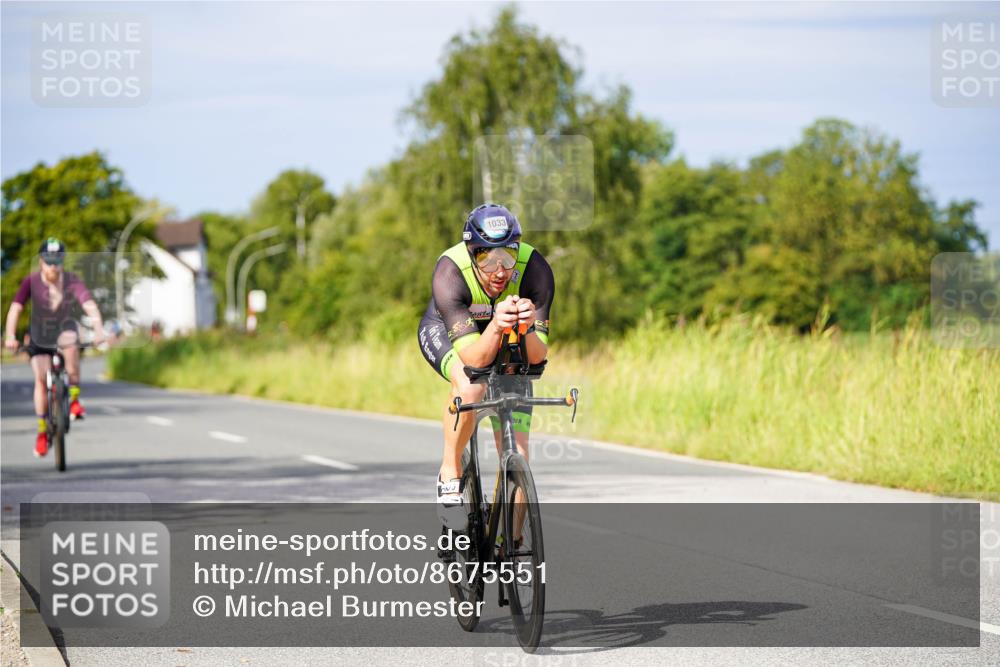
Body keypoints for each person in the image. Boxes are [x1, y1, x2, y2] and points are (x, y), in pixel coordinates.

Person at [418, 204, 554, 529]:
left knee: (518, 449)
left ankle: (515, 545)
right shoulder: (451, 271)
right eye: (486, 259)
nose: (499, 271)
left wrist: (527, 328)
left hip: (508, 333)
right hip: (448, 335)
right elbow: (475, 360)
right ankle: (450, 472)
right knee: (471, 385)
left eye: (507, 256)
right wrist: (495, 324)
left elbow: (536, 358)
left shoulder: (535, 269)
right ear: (471, 252)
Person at [3, 238, 106, 457]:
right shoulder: (30, 282)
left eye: (57, 261)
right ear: (41, 261)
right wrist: (11, 335)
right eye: (49, 261)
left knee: (71, 340)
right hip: (39, 332)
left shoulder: (71, 280)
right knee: (41, 380)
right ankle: (42, 431)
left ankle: (75, 400)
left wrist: (98, 330)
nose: (53, 266)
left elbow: (89, 305)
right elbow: (15, 310)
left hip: (63, 328)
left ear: (62, 261)